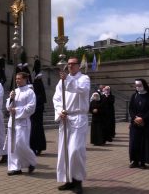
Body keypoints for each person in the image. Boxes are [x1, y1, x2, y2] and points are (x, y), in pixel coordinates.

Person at [53, 56, 90, 194]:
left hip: (78, 117)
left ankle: (78, 180)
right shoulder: (61, 81)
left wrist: (66, 79)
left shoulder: (84, 79)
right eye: (68, 64)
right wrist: (59, 111)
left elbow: (80, 89)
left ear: (78, 66)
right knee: (65, 151)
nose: (70, 66)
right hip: (65, 118)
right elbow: (56, 98)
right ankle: (68, 180)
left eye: (73, 64)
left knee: (76, 150)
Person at [6, 72, 37, 176]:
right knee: (13, 146)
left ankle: (31, 161)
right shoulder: (14, 91)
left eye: (19, 79)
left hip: (23, 121)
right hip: (12, 122)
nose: (17, 81)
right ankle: (16, 167)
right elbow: (8, 107)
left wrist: (17, 110)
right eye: (16, 79)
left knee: (21, 144)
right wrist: (11, 99)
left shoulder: (30, 92)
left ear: (25, 79)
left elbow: (31, 108)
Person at [128, 79, 149, 169]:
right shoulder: (134, 96)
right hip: (135, 122)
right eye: (136, 86)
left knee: (144, 143)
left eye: (139, 85)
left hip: (146, 123)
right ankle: (134, 161)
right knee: (134, 142)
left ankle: (143, 161)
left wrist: (143, 118)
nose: (138, 87)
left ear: (144, 85)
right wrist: (135, 118)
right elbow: (131, 109)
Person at [30, 73, 47, 155]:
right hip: (33, 118)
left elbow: (40, 108)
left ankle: (38, 147)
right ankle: (34, 148)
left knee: (37, 133)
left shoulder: (39, 97)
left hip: (37, 118)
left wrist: (33, 110)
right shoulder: (35, 95)